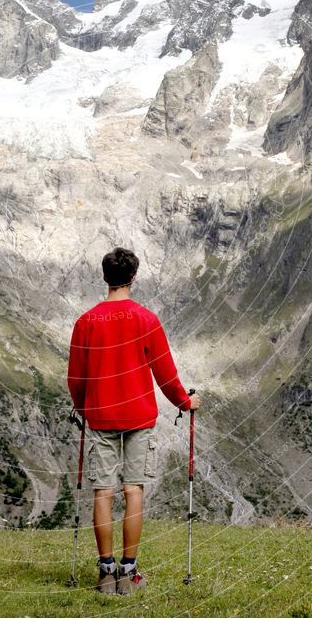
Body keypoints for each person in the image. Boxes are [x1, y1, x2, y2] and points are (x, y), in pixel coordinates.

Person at [67, 246, 200, 596]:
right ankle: (129, 571)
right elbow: (165, 373)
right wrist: (186, 402)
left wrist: (83, 407)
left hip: (100, 416)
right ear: (133, 278)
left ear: (104, 277)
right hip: (139, 417)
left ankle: (105, 572)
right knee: (133, 489)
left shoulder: (86, 322)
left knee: (103, 492)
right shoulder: (146, 319)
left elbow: (76, 378)